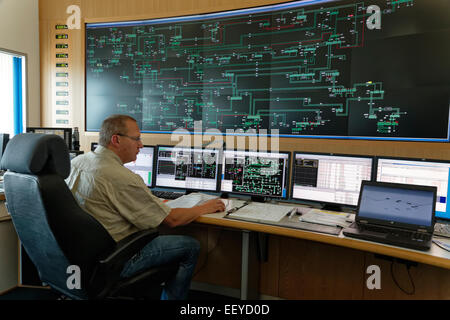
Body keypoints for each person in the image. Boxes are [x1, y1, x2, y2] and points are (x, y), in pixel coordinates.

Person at [65, 114, 225, 299]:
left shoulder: (77, 162)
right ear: (116, 139)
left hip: (83, 256)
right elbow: (172, 220)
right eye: (137, 139)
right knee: (190, 246)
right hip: (117, 256)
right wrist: (205, 207)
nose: (140, 145)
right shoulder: (121, 177)